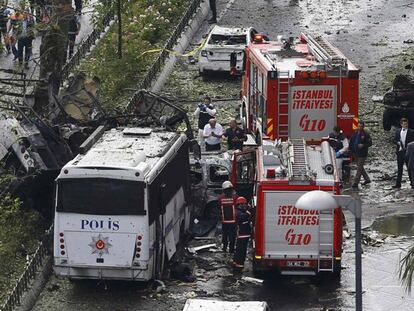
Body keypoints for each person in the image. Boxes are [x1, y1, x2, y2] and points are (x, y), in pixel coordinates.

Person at [349, 120, 372, 189]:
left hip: (362, 154)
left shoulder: (366, 134)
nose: (360, 127)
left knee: (359, 169)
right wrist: (350, 150)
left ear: (363, 127)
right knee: (360, 167)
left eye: (361, 126)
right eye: (359, 126)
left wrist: (363, 145)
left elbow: (370, 143)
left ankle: (356, 183)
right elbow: (352, 141)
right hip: (355, 153)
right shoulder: (355, 133)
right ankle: (367, 179)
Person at [393, 118, 414, 188]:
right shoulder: (397, 131)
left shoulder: (411, 132)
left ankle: (412, 183)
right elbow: (394, 140)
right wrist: (397, 142)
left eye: (407, 124)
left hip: (408, 152)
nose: (406, 125)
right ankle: (398, 184)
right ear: (401, 124)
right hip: (400, 152)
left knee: (410, 168)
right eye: (404, 124)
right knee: (399, 169)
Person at [218, 181, 238, 253]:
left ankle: (225, 248)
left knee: (225, 235)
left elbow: (219, 208)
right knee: (232, 236)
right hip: (233, 221)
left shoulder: (220, 198)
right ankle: (231, 250)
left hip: (225, 221)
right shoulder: (235, 197)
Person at [233, 196, 251, 272]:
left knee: (238, 250)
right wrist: (248, 212)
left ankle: (235, 263)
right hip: (242, 234)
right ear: (241, 204)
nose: (246, 206)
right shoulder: (239, 213)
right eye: (244, 204)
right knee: (241, 251)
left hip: (242, 234)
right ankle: (240, 267)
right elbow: (244, 216)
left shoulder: (239, 211)